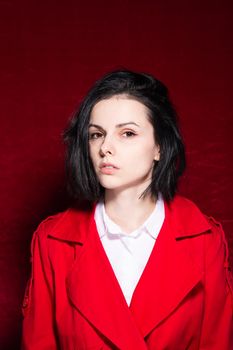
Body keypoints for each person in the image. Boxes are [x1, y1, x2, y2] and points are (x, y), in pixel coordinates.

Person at [21, 70, 233, 349]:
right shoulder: (53, 242)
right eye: (96, 134)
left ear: (159, 146)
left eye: (128, 133)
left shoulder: (205, 241)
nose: (105, 147)